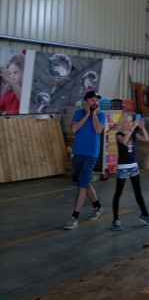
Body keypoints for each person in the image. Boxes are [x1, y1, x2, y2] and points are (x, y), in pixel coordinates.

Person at [64, 91, 106, 229]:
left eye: (96, 100)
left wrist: (93, 115)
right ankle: (97, 206)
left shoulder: (101, 115)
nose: (95, 102)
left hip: (91, 155)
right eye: (92, 100)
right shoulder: (78, 113)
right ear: (86, 102)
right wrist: (87, 114)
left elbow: (98, 130)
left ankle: (74, 217)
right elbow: (74, 129)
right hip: (77, 154)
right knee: (85, 183)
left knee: (81, 185)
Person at [111, 114, 149, 231]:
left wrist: (142, 128)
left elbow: (146, 139)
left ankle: (145, 214)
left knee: (138, 192)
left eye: (130, 121)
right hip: (123, 167)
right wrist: (133, 129)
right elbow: (124, 141)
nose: (129, 124)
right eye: (126, 122)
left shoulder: (133, 133)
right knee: (118, 192)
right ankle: (115, 219)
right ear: (122, 124)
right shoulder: (119, 134)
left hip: (133, 165)